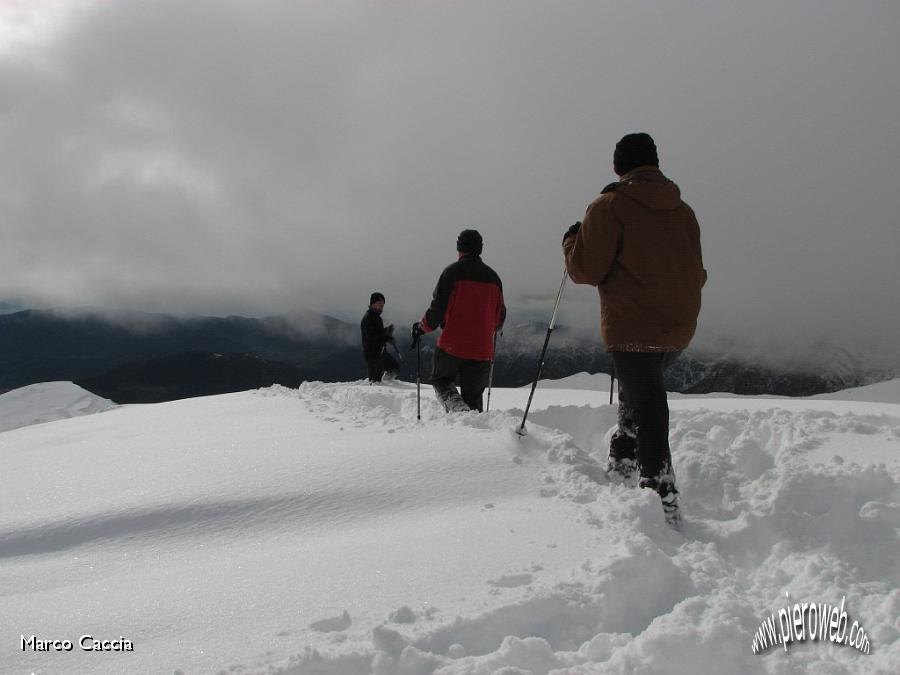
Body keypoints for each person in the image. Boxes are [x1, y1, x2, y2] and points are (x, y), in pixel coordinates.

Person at [562, 132, 707, 526]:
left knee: (649, 403)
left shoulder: (610, 207)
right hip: (678, 326)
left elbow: (585, 270)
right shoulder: (683, 211)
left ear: (618, 166)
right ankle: (623, 458)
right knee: (642, 392)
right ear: (655, 163)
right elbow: (698, 270)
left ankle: (661, 494)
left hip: (632, 326)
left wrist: (571, 242)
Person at [412, 229, 505, 412]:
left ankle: (457, 410)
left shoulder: (452, 273)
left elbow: (437, 309)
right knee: (473, 398)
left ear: (459, 247)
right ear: (480, 249)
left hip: (452, 345)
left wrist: (422, 327)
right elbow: (500, 316)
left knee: (441, 380)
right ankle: (474, 431)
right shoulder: (494, 278)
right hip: (482, 350)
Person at [360, 292, 398, 383]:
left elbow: (379, 334)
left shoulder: (377, 318)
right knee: (375, 381)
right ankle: (379, 392)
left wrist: (388, 337)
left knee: (394, 368)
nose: (382, 307)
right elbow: (371, 336)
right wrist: (386, 333)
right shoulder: (368, 318)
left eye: (383, 305)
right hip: (373, 354)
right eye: (379, 305)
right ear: (372, 304)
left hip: (380, 352)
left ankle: (386, 386)